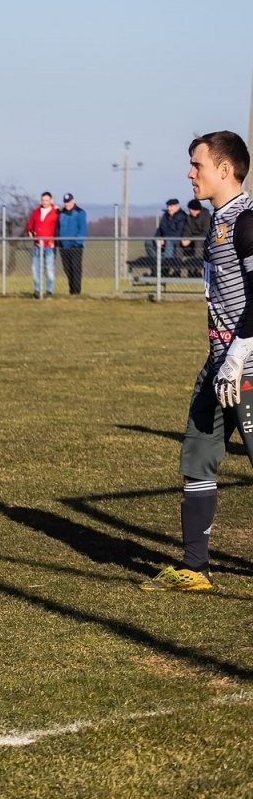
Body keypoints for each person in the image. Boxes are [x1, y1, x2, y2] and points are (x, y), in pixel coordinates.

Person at [147, 131, 253, 592]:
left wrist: (239, 354)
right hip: (219, 363)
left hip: (246, 364)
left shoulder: (247, 220)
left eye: (197, 165)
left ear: (224, 169)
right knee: (196, 457)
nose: (190, 173)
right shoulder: (217, 220)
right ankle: (194, 568)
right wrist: (221, 359)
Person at [25, 193, 58, 296]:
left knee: (49, 269)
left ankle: (49, 290)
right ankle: (37, 290)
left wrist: (54, 240)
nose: (44, 202)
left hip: (49, 246)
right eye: (43, 200)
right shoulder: (36, 212)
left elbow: (58, 228)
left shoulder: (56, 212)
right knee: (35, 269)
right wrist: (30, 232)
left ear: (51, 200)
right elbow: (30, 225)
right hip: (37, 246)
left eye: (47, 200)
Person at [56, 193, 87, 295]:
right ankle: (71, 289)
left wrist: (77, 242)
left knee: (76, 269)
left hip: (75, 247)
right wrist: (58, 241)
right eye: (65, 202)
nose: (67, 204)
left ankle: (76, 291)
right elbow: (58, 228)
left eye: (68, 202)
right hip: (63, 246)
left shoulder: (80, 213)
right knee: (67, 269)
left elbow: (82, 229)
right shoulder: (62, 213)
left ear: (73, 201)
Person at [180, 198, 210, 277]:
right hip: (192, 240)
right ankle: (176, 269)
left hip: (203, 241)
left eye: (191, 209)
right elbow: (187, 230)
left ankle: (197, 270)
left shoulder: (206, 216)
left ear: (196, 209)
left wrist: (191, 239)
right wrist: (185, 239)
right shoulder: (189, 218)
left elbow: (205, 232)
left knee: (198, 243)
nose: (189, 211)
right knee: (179, 245)